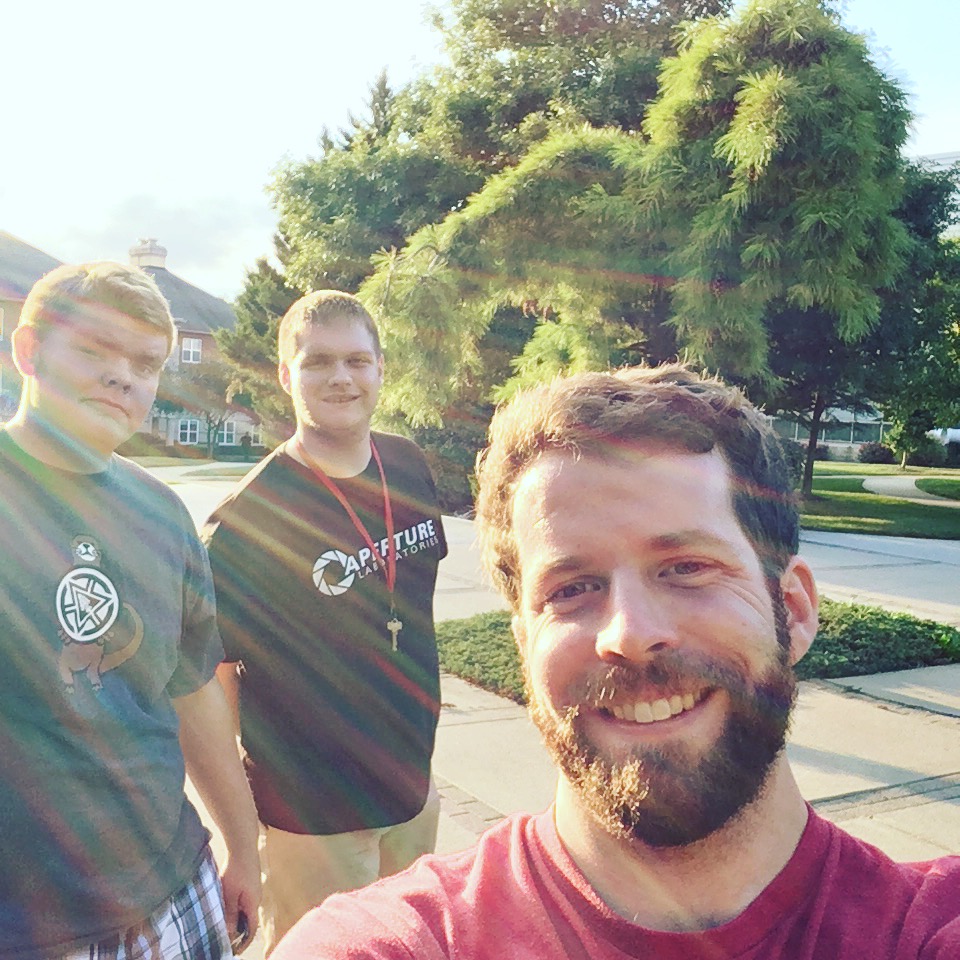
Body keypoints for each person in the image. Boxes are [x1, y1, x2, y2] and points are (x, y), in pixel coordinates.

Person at [272, 364, 960, 959]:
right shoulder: (402, 941)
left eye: (686, 567)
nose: (629, 634)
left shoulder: (927, 928)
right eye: (572, 589)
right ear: (524, 643)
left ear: (796, 610)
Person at [0, 262, 261, 958]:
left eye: (145, 364)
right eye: (94, 350)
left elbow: (195, 690)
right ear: (29, 351)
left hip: (175, 885)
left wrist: (243, 848)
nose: (124, 376)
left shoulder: (162, 512)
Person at [202, 290, 448, 953]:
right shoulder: (247, 521)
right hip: (311, 817)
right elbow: (213, 688)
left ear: (380, 369)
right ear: (286, 375)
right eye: (318, 363)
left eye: (357, 360)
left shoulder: (408, 465)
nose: (341, 377)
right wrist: (241, 841)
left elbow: (411, 614)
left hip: (413, 791)